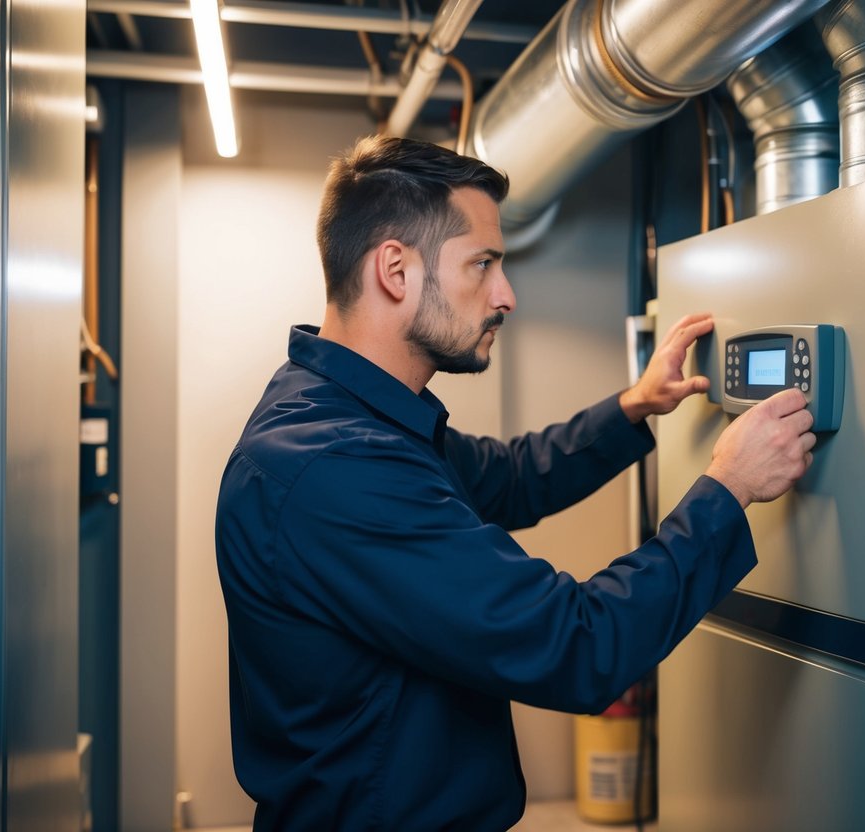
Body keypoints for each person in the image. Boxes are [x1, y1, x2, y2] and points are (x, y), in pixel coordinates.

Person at [215, 135, 816, 831]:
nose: (506, 295)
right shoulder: (338, 465)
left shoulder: (340, 413)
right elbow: (578, 646)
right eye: (483, 264)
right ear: (394, 270)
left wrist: (634, 407)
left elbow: (507, 477)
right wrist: (727, 488)